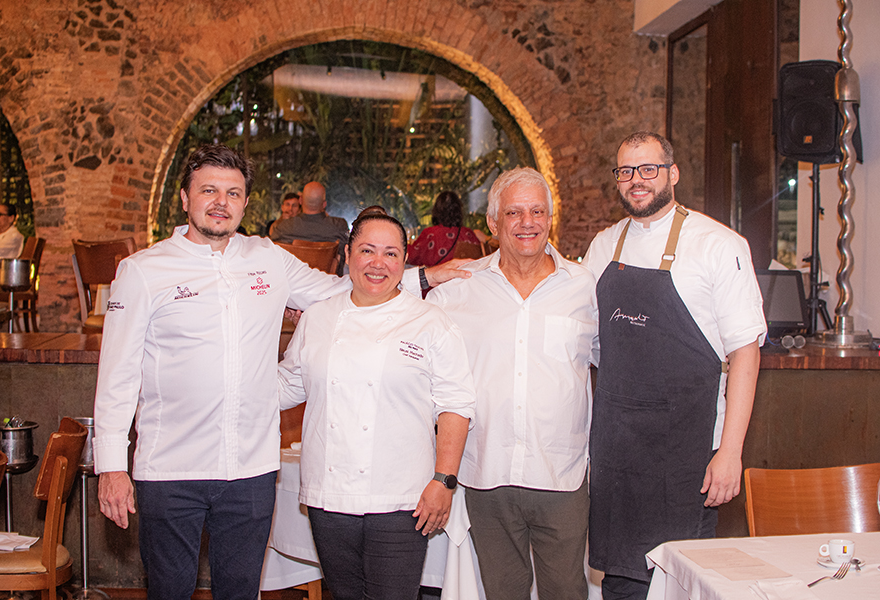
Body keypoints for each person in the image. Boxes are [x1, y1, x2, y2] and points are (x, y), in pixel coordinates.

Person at [92, 144, 467, 600]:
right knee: (169, 591)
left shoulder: (269, 259)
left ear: (246, 203)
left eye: (233, 193)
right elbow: (116, 376)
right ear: (185, 198)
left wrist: (423, 279)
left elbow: (342, 290)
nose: (220, 202)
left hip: (251, 470)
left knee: (241, 592)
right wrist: (111, 465)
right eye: (208, 190)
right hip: (170, 468)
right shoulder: (143, 271)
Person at [582, 131, 766, 600]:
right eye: (625, 171)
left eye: (648, 169)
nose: (636, 180)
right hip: (618, 453)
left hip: (689, 454)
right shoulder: (604, 247)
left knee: (682, 585)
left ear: (673, 173)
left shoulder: (719, 245)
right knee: (621, 585)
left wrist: (729, 453)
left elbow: (746, 352)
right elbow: (590, 346)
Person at [278, 213, 476, 600]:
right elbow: (288, 384)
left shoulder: (430, 321)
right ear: (348, 255)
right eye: (367, 250)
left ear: (404, 262)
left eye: (390, 253)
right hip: (328, 497)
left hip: (402, 498)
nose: (378, 262)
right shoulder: (318, 316)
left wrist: (444, 480)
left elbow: (456, 404)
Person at [426, 167, 598, 600]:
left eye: (537, 211)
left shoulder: (584, 287)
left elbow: (614, 366)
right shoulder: (458, 290)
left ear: (550, 218)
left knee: (567, 592)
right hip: (487, 473)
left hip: (561, 474)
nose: (528, 222)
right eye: (515, 212)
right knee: (502, 593)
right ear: (493, 223)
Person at [270, 182, 349, 274]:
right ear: (324, 204)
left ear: (300, 200)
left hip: (292, 284)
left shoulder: (283, 228)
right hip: (328, 285)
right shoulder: (339, 226)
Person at [408, 191, 481, 266]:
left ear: (436, 210)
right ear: (459, 211)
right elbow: (479, 261)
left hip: (438, 277)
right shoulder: (468, 234)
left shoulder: (429, 234)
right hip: (465, 276)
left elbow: (412, 256)